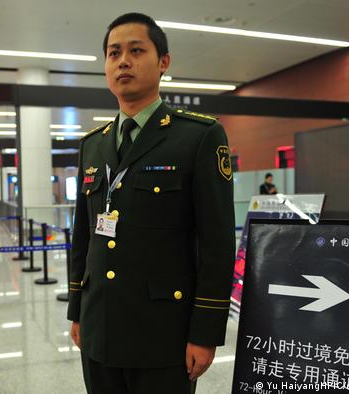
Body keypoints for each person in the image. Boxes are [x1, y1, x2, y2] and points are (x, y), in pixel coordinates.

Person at [67, 12, 235, 394]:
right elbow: (84, 238)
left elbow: (217, 243)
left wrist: (205, 332)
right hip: (98, 328)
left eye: (135, 50)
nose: (122, 61)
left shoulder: (198, 137)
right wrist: (77, 311)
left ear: (163, 62)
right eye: (113, 53)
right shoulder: (93, 144)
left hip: (164, 334)